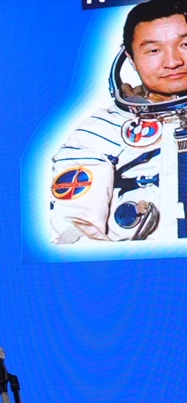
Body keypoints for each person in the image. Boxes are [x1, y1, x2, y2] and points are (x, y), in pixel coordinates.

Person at [50, 0, 187, 243]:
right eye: (154, 50)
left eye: (185, 44)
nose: (173, 61)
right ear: (131, 59)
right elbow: (73, 232)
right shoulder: (99, 134)